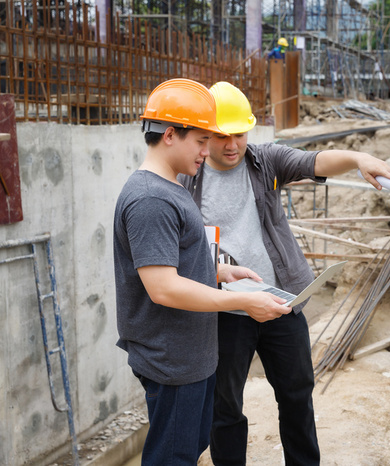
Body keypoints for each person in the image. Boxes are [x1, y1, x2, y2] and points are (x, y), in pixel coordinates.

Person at [178, 81, 390, 466]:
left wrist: (357, 158)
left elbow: (313, 161)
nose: (232, 145)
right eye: (220, 136)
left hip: (282, 302)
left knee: (297, 394)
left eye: (240, 134)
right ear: (203, 135)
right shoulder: (185, 180)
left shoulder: (265, 161)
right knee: (224, 407)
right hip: (226, 311)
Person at [113, 78, 292, 465]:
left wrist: (217, 273)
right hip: (172, 360)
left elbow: (174, 265)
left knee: (188, 449)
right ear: (171, 135)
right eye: (200, 141)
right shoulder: (151, 200)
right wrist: (244, 301)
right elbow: (163, 288)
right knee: (172, 457)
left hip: (190, 357)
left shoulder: (171, 188)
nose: (207, 150)